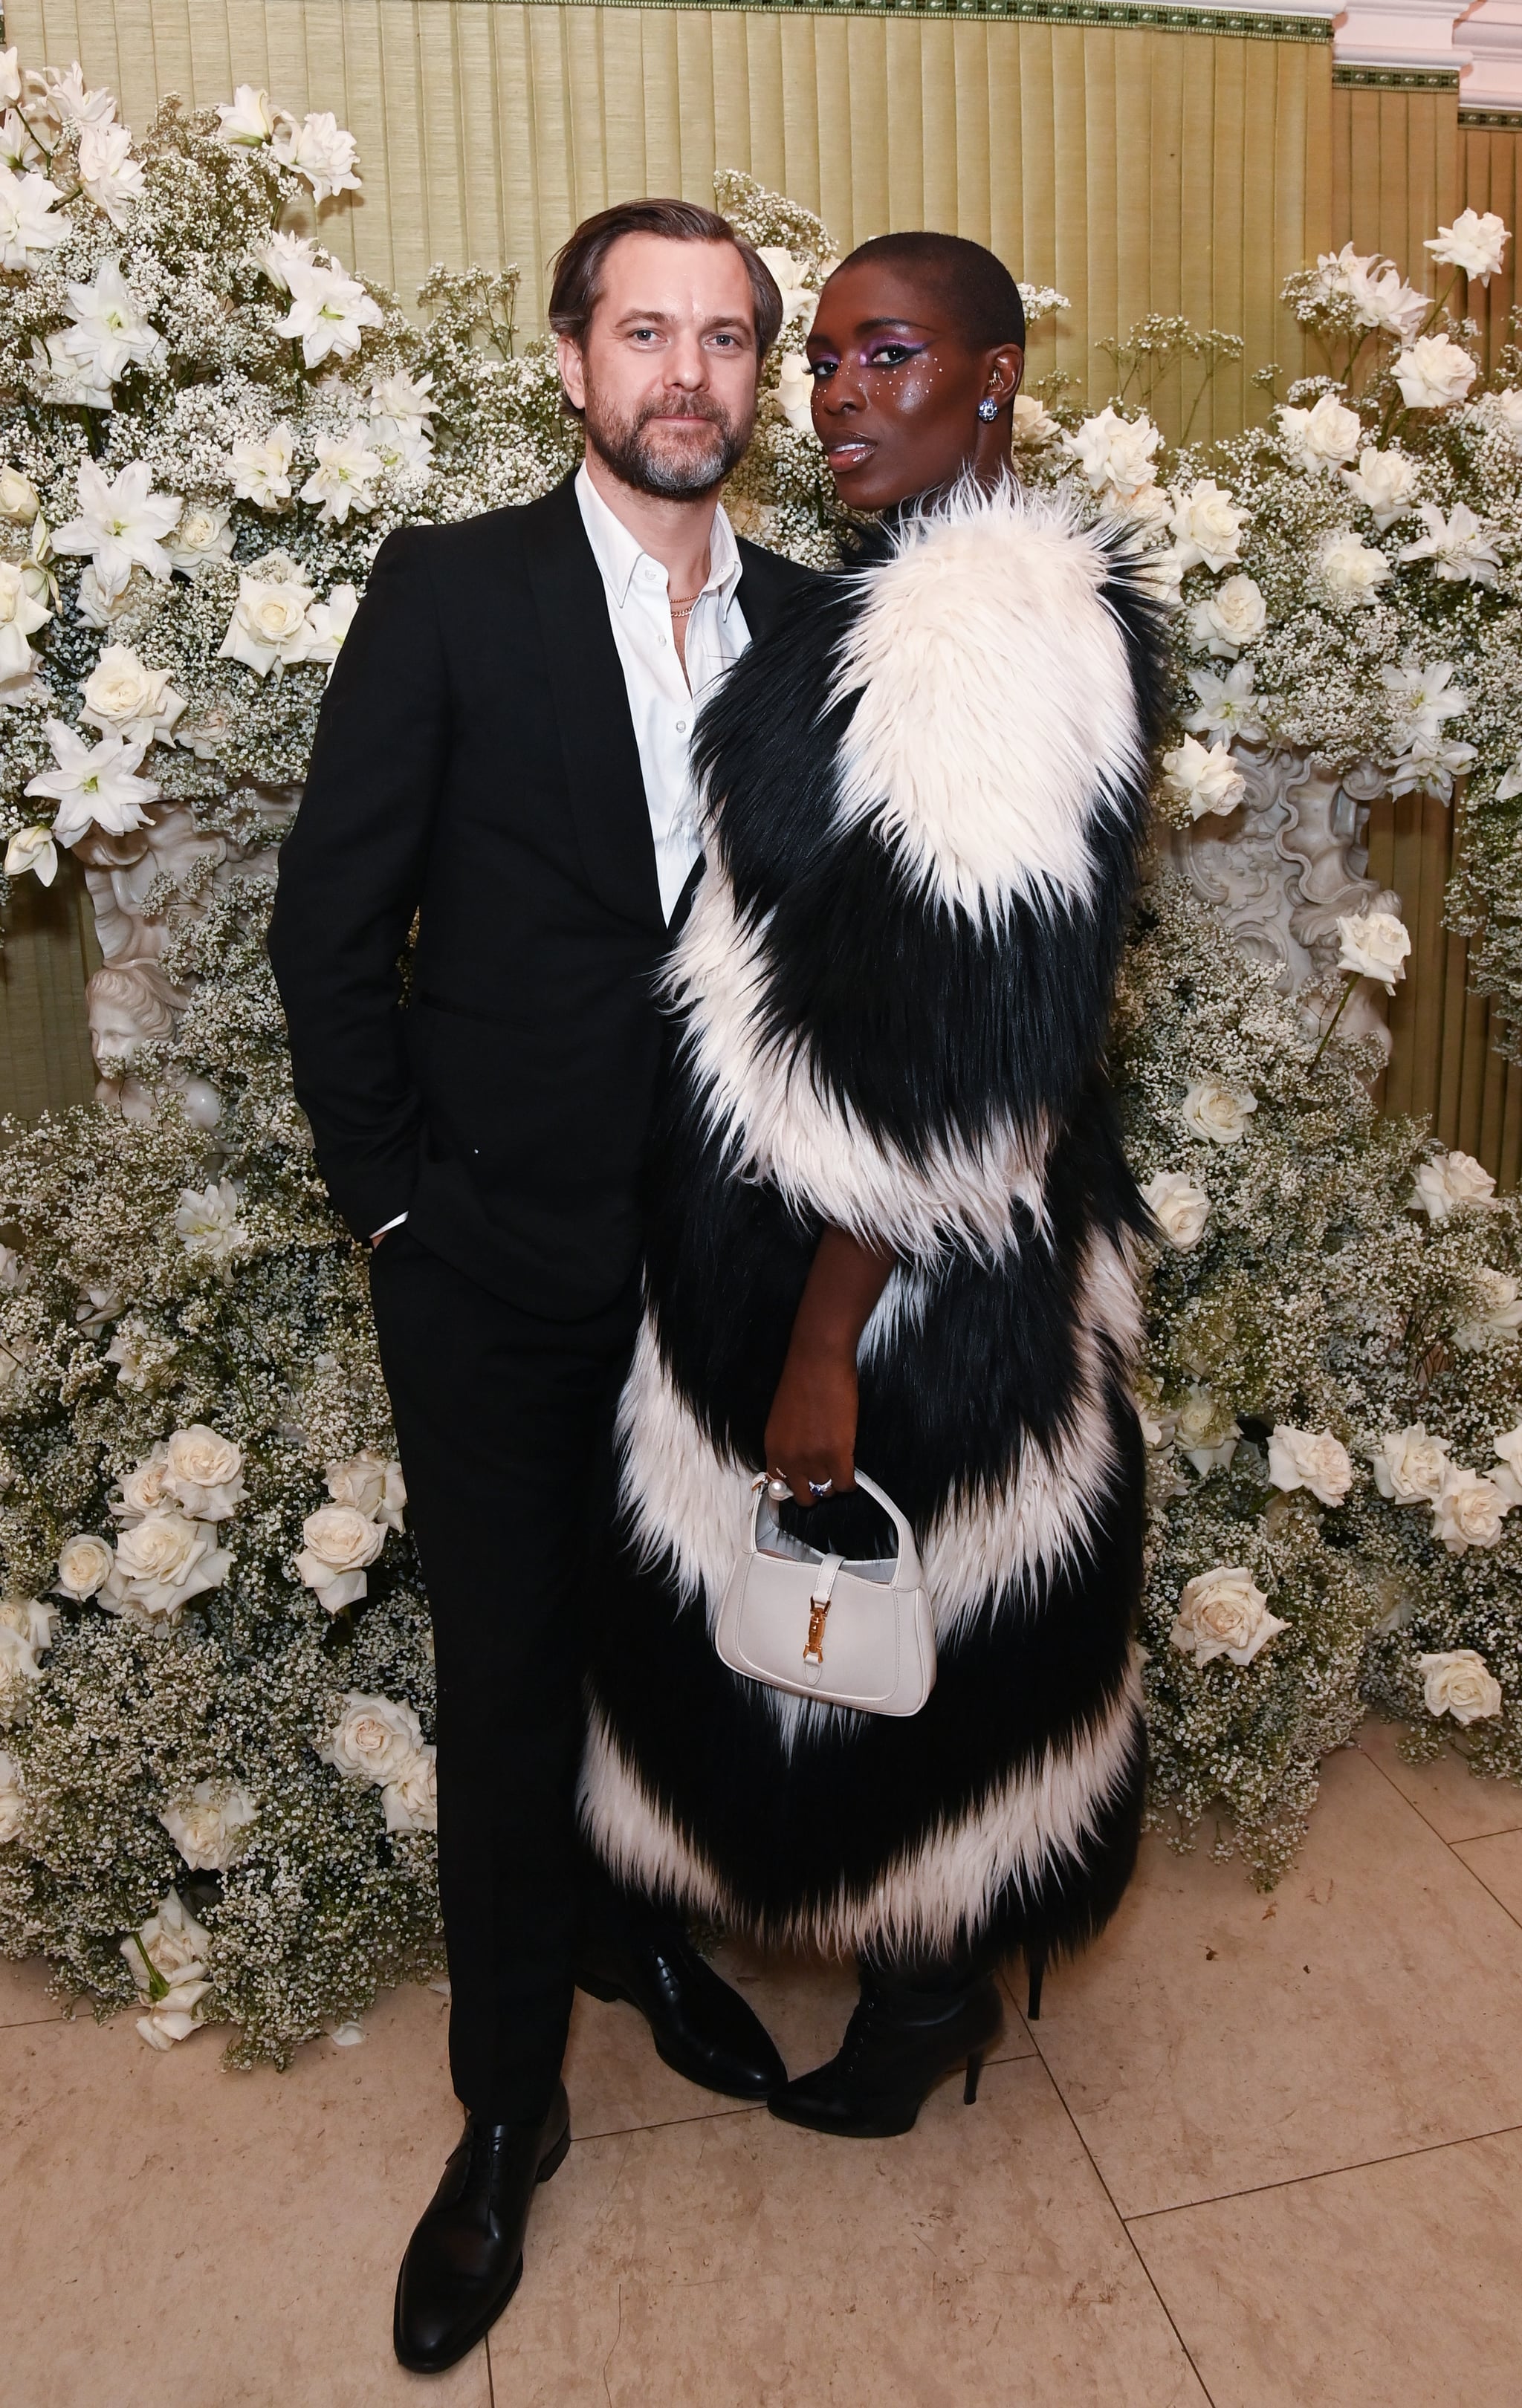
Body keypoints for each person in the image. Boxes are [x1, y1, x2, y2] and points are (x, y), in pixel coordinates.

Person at [268, 198, 816, 2375]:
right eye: (648, 333)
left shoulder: (823, 626)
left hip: (729, 1271)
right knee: (505, 1684)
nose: (691, 375)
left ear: (755, 381)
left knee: (671, 1653)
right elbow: (333, 928)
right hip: (486, 1258)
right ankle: (509, 2109)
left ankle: (640, 1941)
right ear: (574, 362)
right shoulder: (452, 593)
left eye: (731, 342)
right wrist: (395, 1210)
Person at [582, 231, 1169, 2139]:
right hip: (871, 1255)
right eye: (822, 359)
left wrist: (823, 1335)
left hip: (898, 1288)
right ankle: (921, 1992)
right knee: (895, 1651)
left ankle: (923, 2005)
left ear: (994, 376)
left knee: (899, 1643)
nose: (838, 395)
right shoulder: (900, 605)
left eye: (887, 355)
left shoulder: (982, 629)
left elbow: (944, 1071)